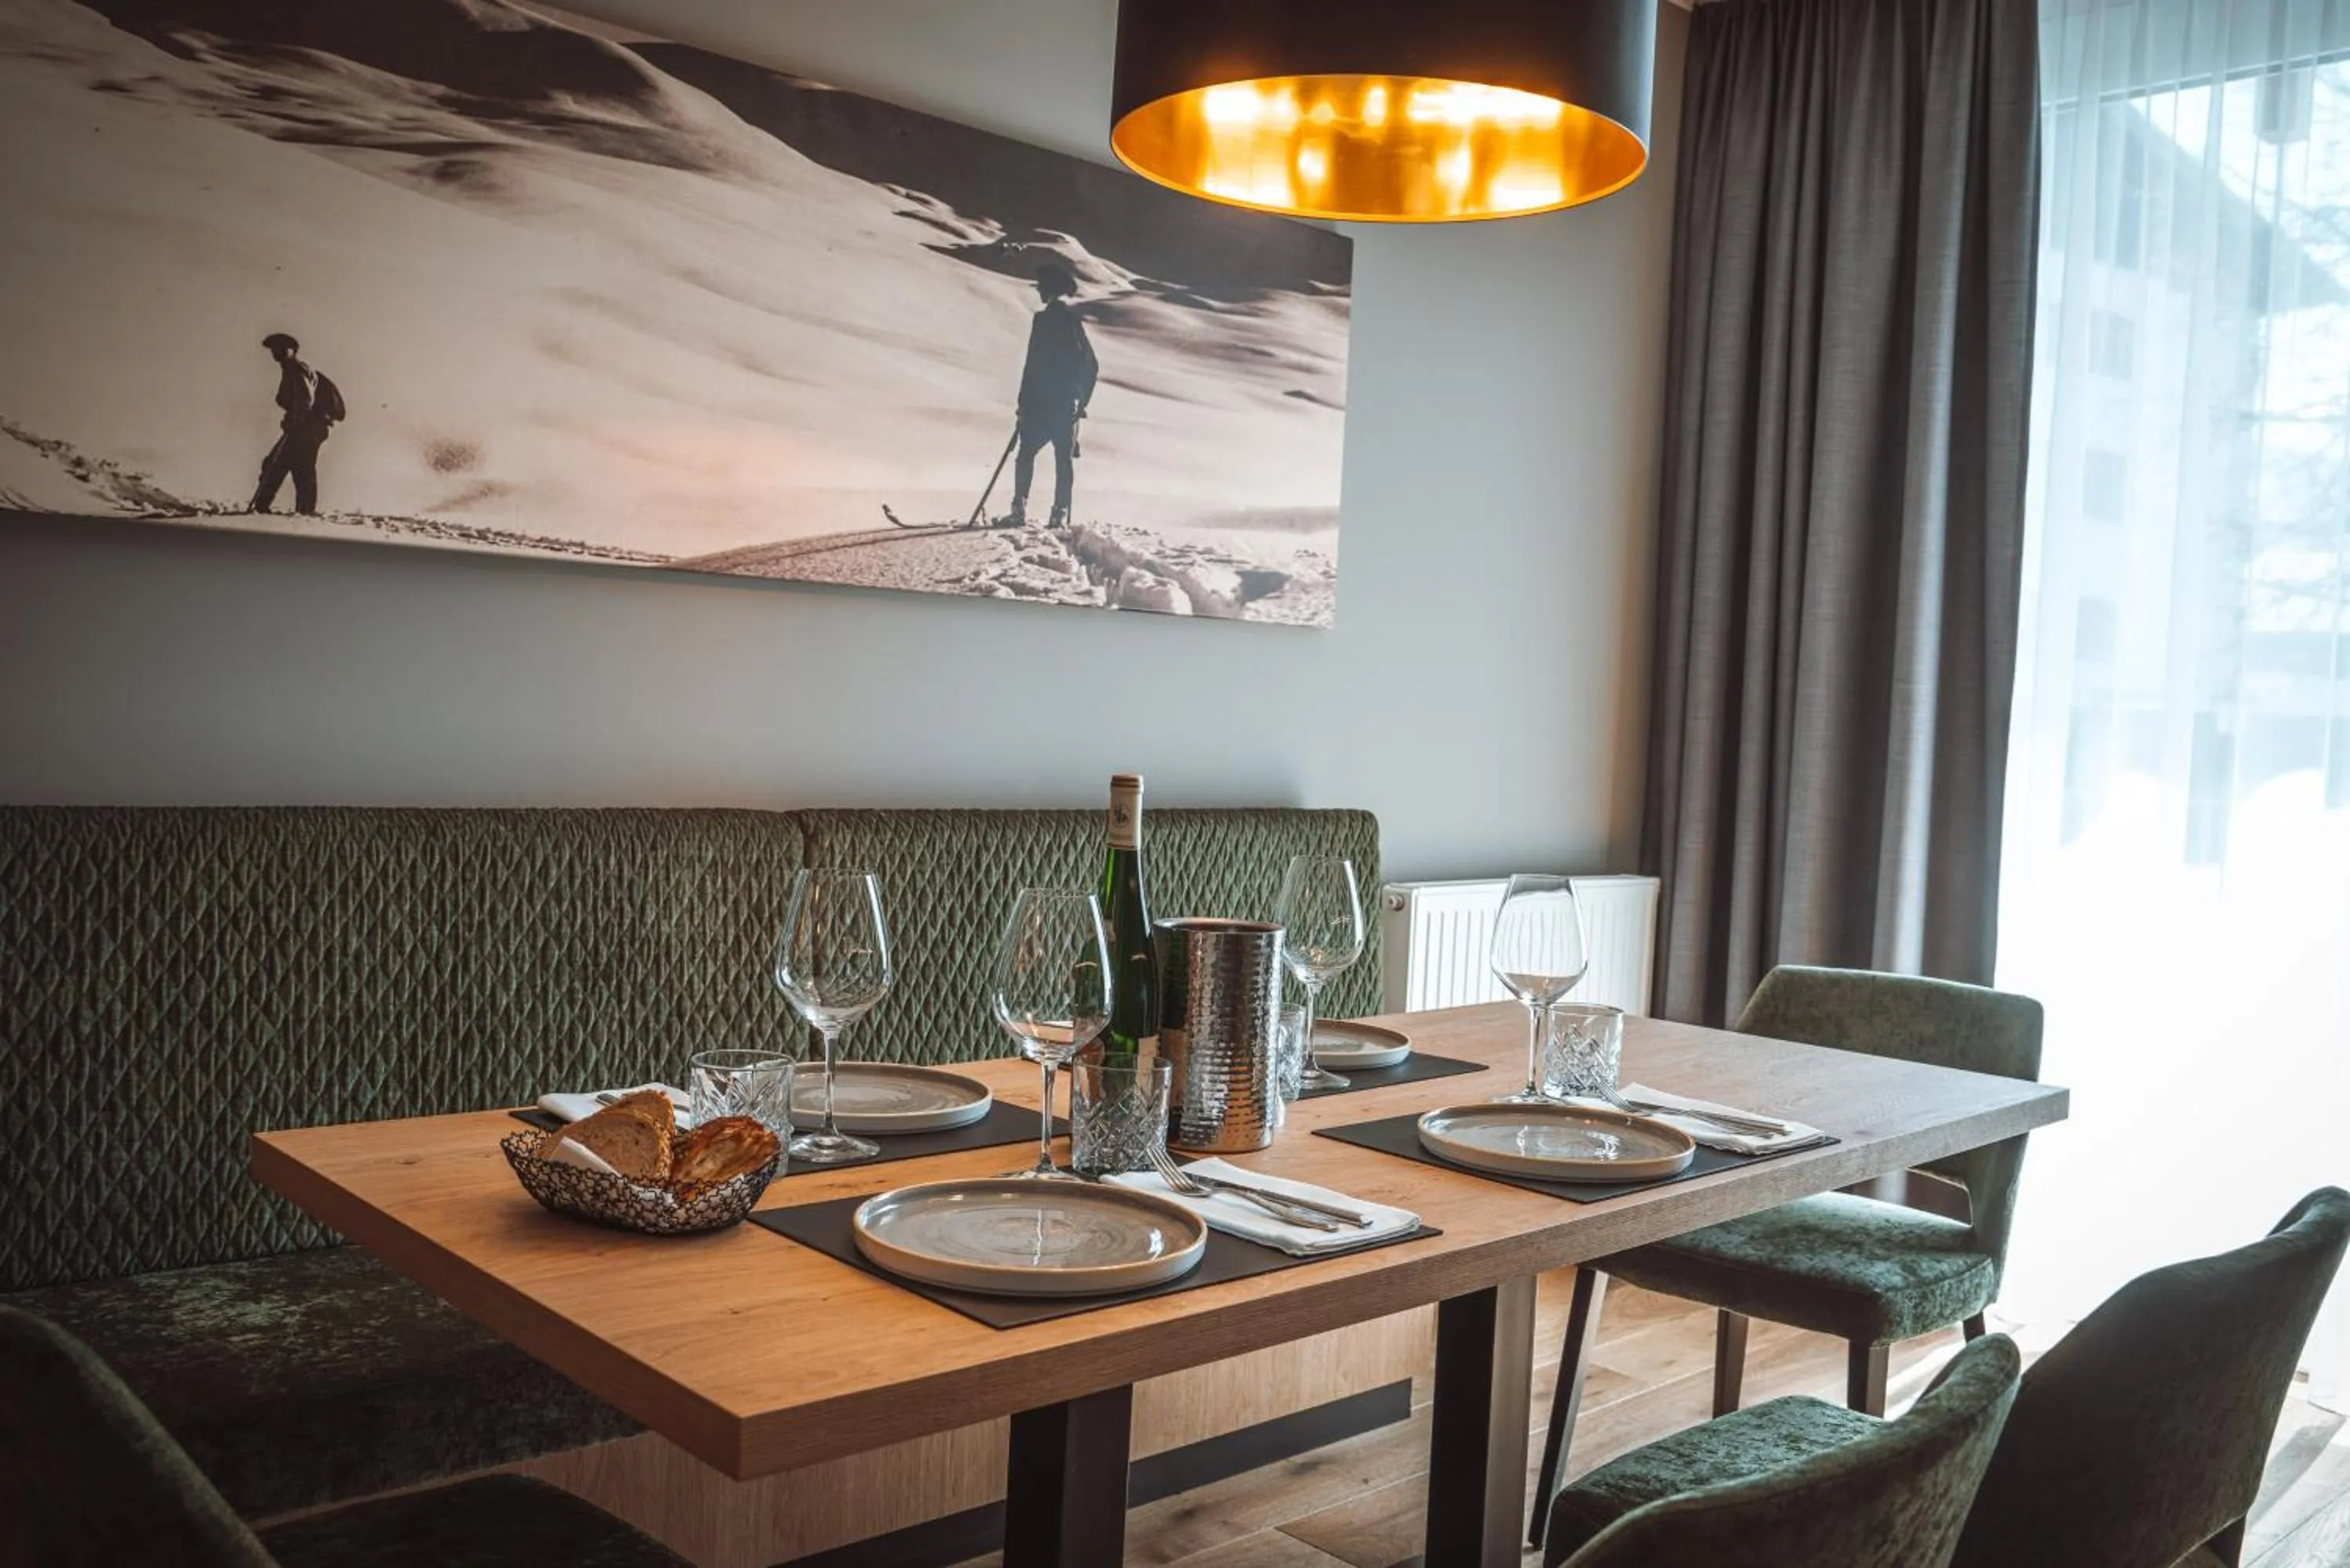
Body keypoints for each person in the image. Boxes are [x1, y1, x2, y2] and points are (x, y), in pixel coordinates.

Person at [1003, 260, 1097, 529]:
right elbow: (1090, 365)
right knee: (1062, 460)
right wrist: (1081, 400)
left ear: (1049, 289)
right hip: (1064, 405)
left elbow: (1032, 366)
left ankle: (1019, 509)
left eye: (1041, 287)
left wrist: (1023, 404)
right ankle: (1059, 512)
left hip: (1041, 404)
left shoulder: (1044, 320)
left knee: (1026, 454)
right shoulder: (1072, 323)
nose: (1038, 291)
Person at [251, 332, 343, 515]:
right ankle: (264, 505)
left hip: (308, 427)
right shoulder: (290, 369)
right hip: (304, 426)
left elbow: (304, 399)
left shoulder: (296, 369)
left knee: (299, 466)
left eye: (280, 348)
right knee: (278, 463)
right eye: (274, 349)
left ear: (291, 351)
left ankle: (304, 512)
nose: (276, 352)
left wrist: (294, 421)